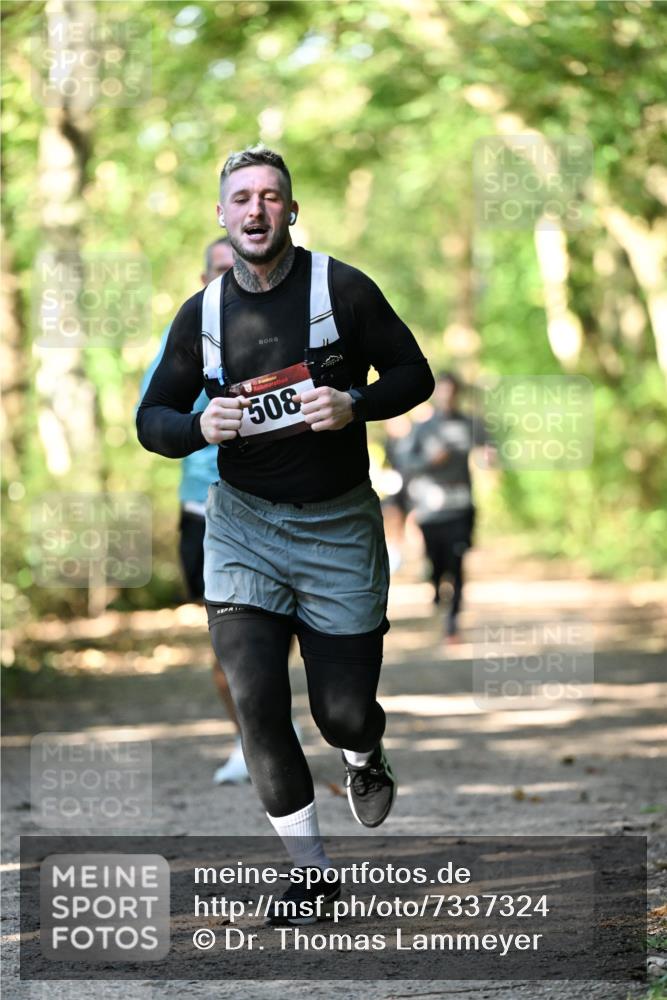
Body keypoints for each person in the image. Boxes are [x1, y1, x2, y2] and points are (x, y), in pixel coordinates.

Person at [137, 145, 434, 923]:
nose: (256, 209)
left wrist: (354, 404)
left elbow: (414, 374)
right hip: (242, 530)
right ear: (221, 214)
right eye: (241, 197)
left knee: (342, 713)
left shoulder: (342, 288)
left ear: (291, 211)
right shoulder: (202, 315)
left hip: (338, 528)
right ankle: (310, 875)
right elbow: (151, 418)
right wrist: (199, 425)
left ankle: (364, 755)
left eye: (271, 196)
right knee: (257, 703)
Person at [139, 237, 250, 784]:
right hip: (203, 510)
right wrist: (202, 423)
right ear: (204, 278)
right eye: (220, 269)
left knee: (268, 639)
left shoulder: (285, 322)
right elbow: (153, 413)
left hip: (272, 505)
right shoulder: (184, 333)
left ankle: (267, 722)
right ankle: (250, 737)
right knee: (229, 642)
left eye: (240, 267)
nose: (231, 277)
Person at [402, 371, 480, 642]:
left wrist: (489, 455)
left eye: (452, 391)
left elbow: (489, 447)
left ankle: (453, 622)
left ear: (458, 393)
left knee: (457, 563)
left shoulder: (470, 424)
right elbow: (406, 463)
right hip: (430, 511)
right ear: (436, 394)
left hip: (461, 507)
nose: (448, 396)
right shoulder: (422, 428)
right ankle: (436, 587)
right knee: (437, 564)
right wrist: (430, 461)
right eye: (443, 391)